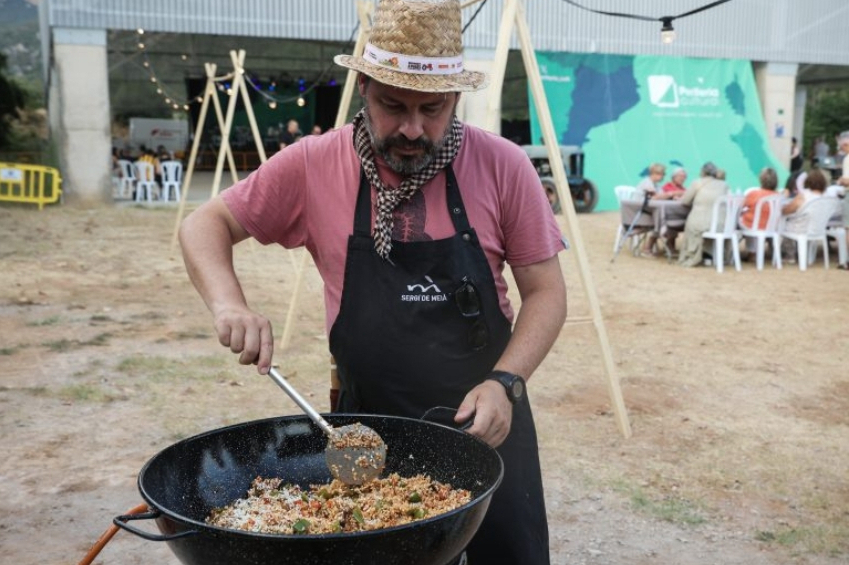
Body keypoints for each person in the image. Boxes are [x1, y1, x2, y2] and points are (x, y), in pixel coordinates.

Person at [178, 1, 567, 564]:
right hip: (367, 434)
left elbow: (547, 293)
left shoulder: (503, 166)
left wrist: (507, 382)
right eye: (393, 105)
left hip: (489, 420)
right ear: (363, 87)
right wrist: (228, 304)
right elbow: (204, 224)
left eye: (432, 109)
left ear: (456, 98)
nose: (412, 129)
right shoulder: (314, 164)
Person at [678, 162, 729, 267]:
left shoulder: (697, 183)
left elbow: (685, 201)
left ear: (702, 172)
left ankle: (692, 254)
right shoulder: (724, 185)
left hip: (700, 224)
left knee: (692, 224)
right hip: (720, 224)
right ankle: (708, 254)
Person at [635, 163, 665, 256]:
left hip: (649, 211)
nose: (662, 176)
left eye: (663, 174)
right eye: (660, 174)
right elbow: (655, 197)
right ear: (653, 174)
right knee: (660, 217)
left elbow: (661, 196)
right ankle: (647, 248)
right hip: (640, 215)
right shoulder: (646, 183)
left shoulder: (656, 185)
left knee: (662, 215)